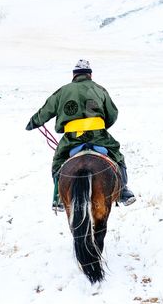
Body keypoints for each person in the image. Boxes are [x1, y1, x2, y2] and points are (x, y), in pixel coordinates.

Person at [26, 59, 136, 210]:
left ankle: (58, 198)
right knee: (117, 156)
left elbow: (46, 110)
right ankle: (123, 191)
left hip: (72, 139)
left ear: (74, 75)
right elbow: (112, 114)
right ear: (90, 75)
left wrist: (34, 122)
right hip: (99, 136)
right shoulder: (100, 89)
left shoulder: (63, 91)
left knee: (58, 163)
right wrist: (101, 127)